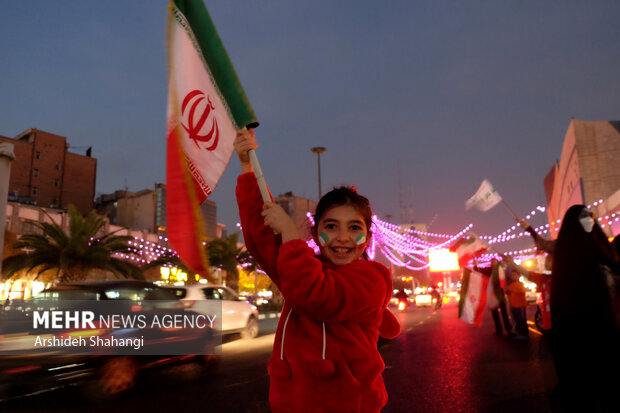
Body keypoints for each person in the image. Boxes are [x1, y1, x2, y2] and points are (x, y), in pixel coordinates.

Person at [234, 129, 401, 413]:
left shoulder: (372, 279)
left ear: (368, 238)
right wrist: (246, 165)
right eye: (331, 226)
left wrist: (290, 233)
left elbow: (315, 295)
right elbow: (263, 237)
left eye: (355, 228)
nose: (343, 238)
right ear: (317, 231)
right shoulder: (302, 265)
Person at [550, 205, 620, 407]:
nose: (589, 222)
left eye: (590, 218)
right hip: (581, 319)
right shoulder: (569, 252)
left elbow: (613, 259)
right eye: (585, 219)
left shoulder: (592, 245)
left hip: (596, 317)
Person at [476, 258, 512, 336]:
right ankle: (499, 330)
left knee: (504, 313)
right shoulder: (488, 270)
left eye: (495, 262)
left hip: (500, 294)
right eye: (492, 262)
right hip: (492, 296)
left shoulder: (501, 270)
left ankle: (508, 328)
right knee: (495, 314)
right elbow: (479, 270)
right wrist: (475, 265)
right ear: (490, 263)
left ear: (497, 263)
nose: (493, 263)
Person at [504, 270, 528, 339]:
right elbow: (509, 292)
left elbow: (521, 291)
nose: (513, 276)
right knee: (517, 320)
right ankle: (520, 333)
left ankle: (524, 334)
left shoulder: (521, 284)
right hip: (514, 305)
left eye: (515, 275)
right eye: (512, 275)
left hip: (520, 306)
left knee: (521, 320)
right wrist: (505, 290)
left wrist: (510, 289)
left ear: (519, 276)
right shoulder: (512, 284)